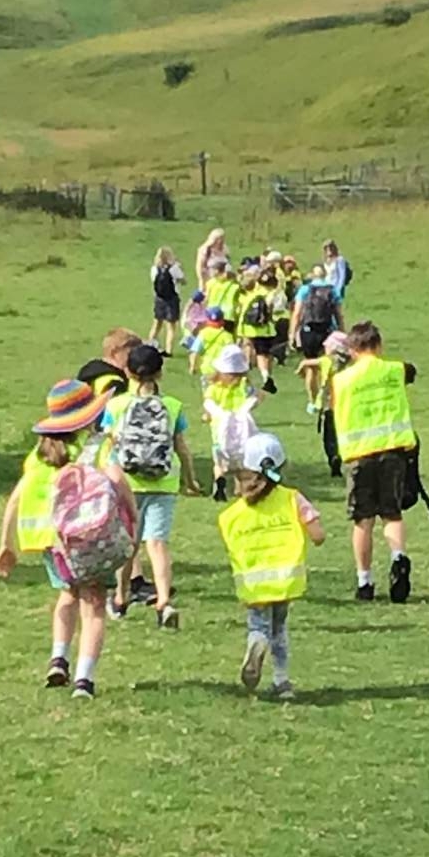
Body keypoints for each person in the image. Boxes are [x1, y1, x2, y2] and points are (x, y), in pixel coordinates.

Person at [0, 379, 136, 700]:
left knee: (68, 594)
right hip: (90, 539)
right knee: (94, 605)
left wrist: (6, 544)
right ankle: (84, 680)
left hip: (53, 543)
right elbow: (116, 478)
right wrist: (133, 513)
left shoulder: (39, 454)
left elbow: (17, 497)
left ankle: (58, 659)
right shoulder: (96, 447)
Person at [218, 431, 325, 702]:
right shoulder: (292, 499)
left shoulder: (235, 513)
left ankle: (257, 642)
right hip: (285, 580)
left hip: (255, 584)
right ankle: (281, 681)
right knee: (279, 629)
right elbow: (318, 535)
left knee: (259, 626)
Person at [100, 343, 201, 627]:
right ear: (160, 373)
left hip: (126, 483)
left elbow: (108, 444)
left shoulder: (116, 405)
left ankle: (121, 598)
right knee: (157, 543)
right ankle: (164, 601)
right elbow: (181, 448)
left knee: (128, 545)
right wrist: (190, 480)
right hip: (163, 483)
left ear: (128, 372)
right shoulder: (173, 406)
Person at [331, 319, 417, 604]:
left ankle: (364, 581)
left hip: (359, 455)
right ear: (378, 345)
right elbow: (411, 371)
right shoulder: (394, 370)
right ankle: (398, 557)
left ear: (352, 349)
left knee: (363, 520)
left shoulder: (341, 380)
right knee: (392, 514)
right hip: (393, 451)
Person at [203, 342, 259, 501]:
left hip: (219, 429)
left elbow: (208, 403)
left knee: (219, 462)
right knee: (241, 460)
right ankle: (240, 488)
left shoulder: (213, 387)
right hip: (242, 429)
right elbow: (256, 397)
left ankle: (219, 481)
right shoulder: (244, 386)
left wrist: (210, 414)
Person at [298, 328, 352, 477]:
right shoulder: (350, 364)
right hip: (346, 405)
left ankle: (333, 456)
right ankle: (342, 454)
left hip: (329, 406)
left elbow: (307, 362)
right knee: (342, 433)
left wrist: (301, 369)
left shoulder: (326, 361)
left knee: (329, 436)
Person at [290, 264, 343, 406]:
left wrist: (292, 333)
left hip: (309, 332)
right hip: (327, 331)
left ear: (313, 275)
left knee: (311, 368)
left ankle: (312, 402)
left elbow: (297, 313)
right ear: (325, 275)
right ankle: (328, 399)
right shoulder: (332, 290)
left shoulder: (305, 290)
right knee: (327, 366)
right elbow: (339, 314)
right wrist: (341, 332)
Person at [235, 263, 281, 394]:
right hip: (267, 329)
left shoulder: (251, 294)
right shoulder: (271, 294)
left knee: (251, 351)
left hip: (248, 328)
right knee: (265, 354)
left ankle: (248, 377)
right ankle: (267, 376)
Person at [78, 327, 142, 403]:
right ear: (114, 352)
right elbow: (121, 408)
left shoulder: (93, 372)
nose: (136, 357)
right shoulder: (112, 383)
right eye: (131, 353)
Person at [149, 247, 185, 354]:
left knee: (157, 324)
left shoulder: (154, 269)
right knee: (171, 326)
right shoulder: (173, 268)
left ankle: (150, 344)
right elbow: (183, 280)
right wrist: (179, 268)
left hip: (159, 299)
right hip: (171, 299)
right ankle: (168, 350)